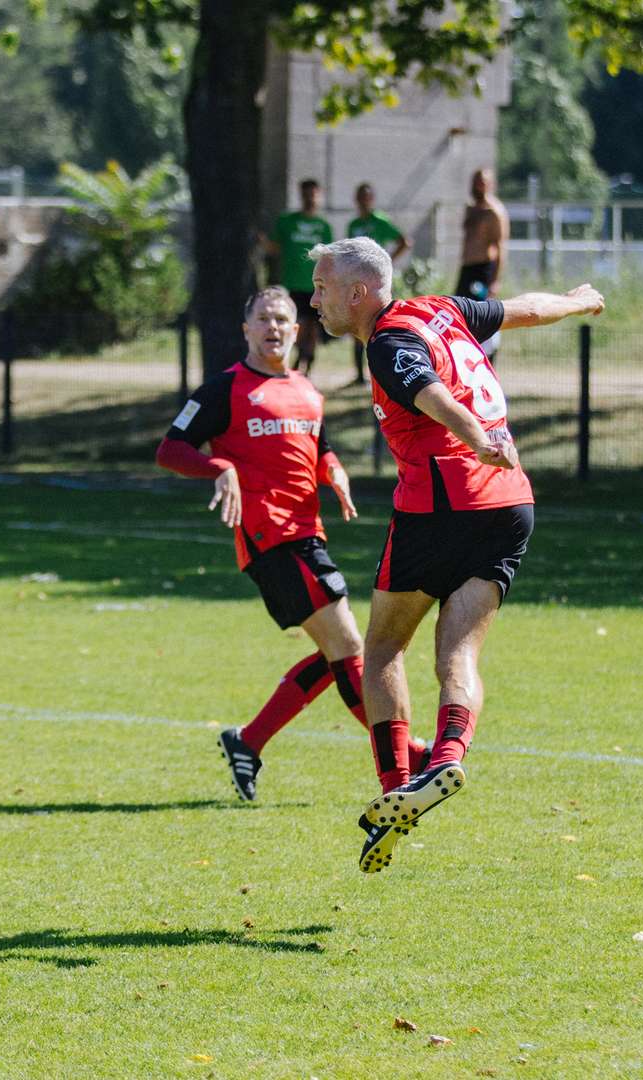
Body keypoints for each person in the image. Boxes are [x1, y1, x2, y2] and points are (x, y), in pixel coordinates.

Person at [307, 236, 602, 873]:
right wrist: (578, 303)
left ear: (360, 293)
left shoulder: (388, 342)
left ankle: (395, 791)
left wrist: (478, 437)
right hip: (511, 502)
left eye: (323, 289)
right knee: (460, 651)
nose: (315, 300)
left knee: (382, 648)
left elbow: (433, 396)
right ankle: (445, 763)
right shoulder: (442, 308)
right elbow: (521, 309)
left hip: (443, 502)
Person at [158, 286, 431, 801]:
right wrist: (217, 466)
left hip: (308, 532)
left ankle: (249, 741)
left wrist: (336, 473)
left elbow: (320, 447)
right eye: (263, 318)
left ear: (297, 329)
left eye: (283, 319)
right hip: (269, 535)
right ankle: (409, 756)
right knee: (353, 648)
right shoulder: (226, 389)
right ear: (246, 329)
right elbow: (170, 449)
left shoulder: (307, 390)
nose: (274, 327)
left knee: (340, 653)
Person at [266, 179, 335, 375]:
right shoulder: (287, 221)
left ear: (318, 195)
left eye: (313, 193)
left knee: (314, 328)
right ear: (301, 195)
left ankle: (306, 366)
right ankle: (300, 360)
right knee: (299, 326)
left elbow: (329, 255)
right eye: (306, 194)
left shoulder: (323, 226)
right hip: (293, 283)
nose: (310, 198)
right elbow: (275, 248)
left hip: (316, 285)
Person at [345, 182, 411, 384]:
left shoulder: (380, 221)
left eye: (367, 197)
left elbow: (404, 241)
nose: (364, 201)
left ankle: (382, 370)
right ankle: (359, 375)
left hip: (375, 283)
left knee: (379, 323)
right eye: (360, 197)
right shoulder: (353, 224)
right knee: (357, 324)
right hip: (357, 281)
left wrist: (387, 261)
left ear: (371, 199)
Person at [456, 169, 509, 358]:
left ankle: (488, 361)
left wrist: (495, 280)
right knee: (460, 315)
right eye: (476, 181)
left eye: (483, 181)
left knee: (482, 318)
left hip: (482, 271)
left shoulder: (494, 212)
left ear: (490, 184)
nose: (478, 185)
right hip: (467, 269)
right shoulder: (471, 208)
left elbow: (500, 247)